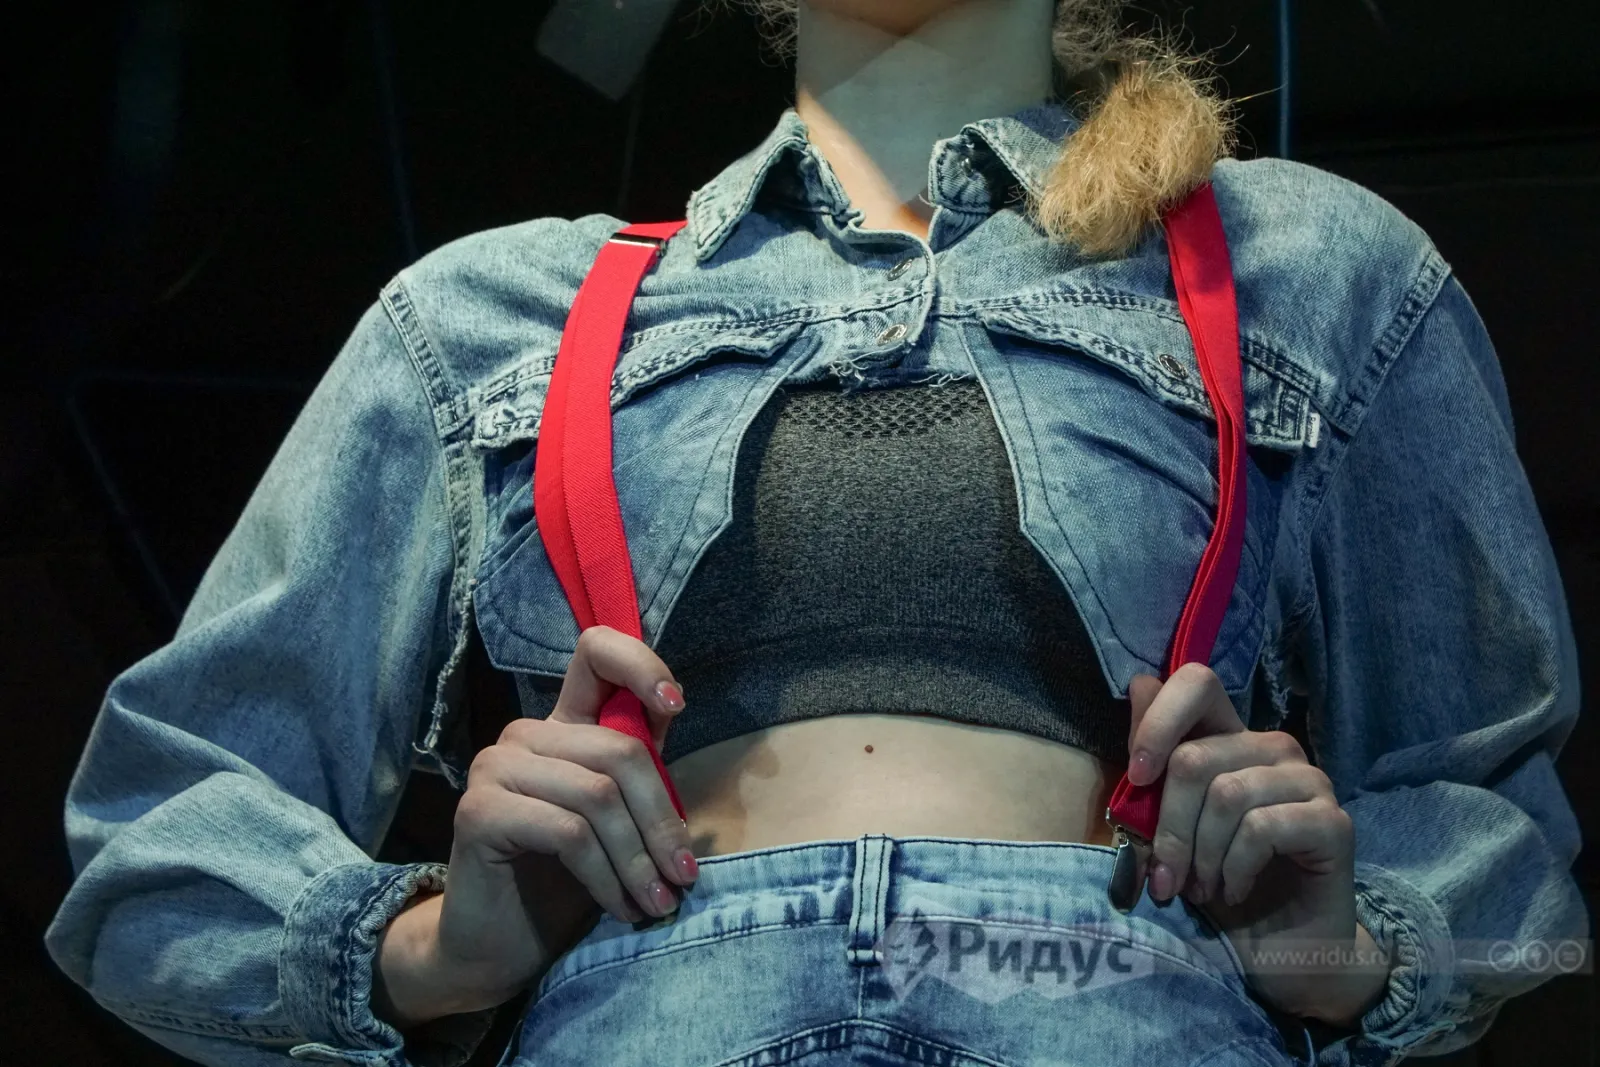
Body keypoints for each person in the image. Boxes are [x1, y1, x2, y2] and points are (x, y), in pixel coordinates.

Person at [46, 1, 1590, 1065]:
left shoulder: (1308, 268)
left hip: (1120, 1004)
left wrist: (1340, 949)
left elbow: (1514, 865)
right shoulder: (485, 318)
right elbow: (155, 830)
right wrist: (433, 951)